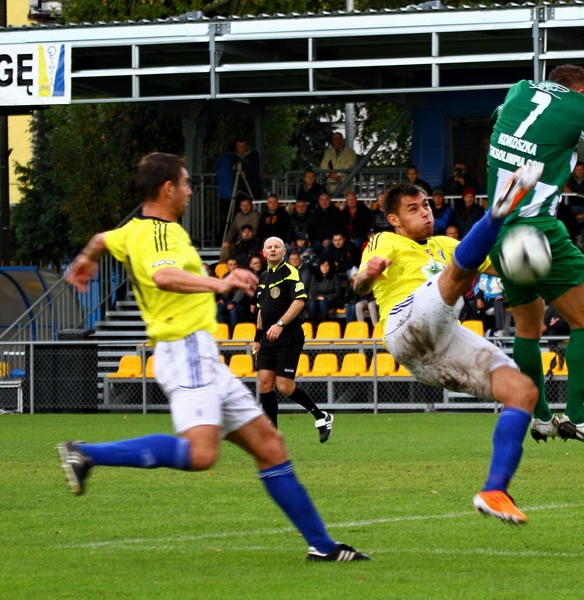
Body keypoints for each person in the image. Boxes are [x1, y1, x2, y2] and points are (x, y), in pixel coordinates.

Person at [60, 152, 368, 562]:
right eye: (185, 184)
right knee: (201, 454)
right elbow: (162, 276)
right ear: (167, 188)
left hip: (199, 353)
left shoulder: (132, 231)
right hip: (184, 348)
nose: (189, 190)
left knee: (271, 446)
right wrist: (218, 283)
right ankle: (86, 453)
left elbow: (102, 239)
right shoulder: (158, 235)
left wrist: (86, 259)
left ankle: (323, 546)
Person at [353, 181, 539, 524]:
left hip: (441, 343)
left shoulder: (446, 244)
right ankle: (495, 212)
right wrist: (369, 274)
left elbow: (501, 266)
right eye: (414, 208)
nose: (425, 212)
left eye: (426, 206)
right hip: (405, 321)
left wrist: (534, 263)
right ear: (393, 219)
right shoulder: (385, 241)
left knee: (522, 391)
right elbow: (359, 285)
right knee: (457, 272)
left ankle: (495, 490)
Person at [485, 64, 584, 450]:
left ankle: (543, 417)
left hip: (498, 234)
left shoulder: (517, 91)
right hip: (538, 229)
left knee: (529, 331)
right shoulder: (582, 107)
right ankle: (578, 418)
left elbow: (500, 121)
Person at [253, 236, 333, 439]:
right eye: (269, 247)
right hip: (267, 339)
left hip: (289, 336)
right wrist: (257, 337)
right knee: (264, 384)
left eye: (277, 247)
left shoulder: (290, 272)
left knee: (284, 386)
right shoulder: (263, 278)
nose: (272, 250)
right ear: (263, 253)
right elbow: (262, 311)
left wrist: (280, 325)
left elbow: (299, 302)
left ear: (283, 252)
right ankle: (272, 434)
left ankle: (321, 416)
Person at [220, 197, 261, 262]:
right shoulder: (238, 215)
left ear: (251, 205)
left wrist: (242, 241)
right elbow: (232, 230)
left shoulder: (255, 215)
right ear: (240, 207)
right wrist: (227, 241)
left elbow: (254, 230)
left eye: (247, 205)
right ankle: (224, 268)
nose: (245, 207)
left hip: (251, 242)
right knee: (225, 248)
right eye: (243, 206)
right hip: (239, 242)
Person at [216, 258, 251, 333]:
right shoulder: (225, 276)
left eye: (234, 264)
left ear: (237, 265)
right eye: (231, 265)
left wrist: (233, 303)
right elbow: (224, 289)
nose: (233, 266)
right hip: (227, 301)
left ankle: (233, 332)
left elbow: (240, 293)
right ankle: (223, 331)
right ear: (227, 266)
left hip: (239, 301)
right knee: (217, 308)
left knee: (233, 311)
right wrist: (221, 298)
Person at [307, 259, 343, 324]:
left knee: (322, 303)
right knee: (312, 303)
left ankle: (324, 324)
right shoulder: (314, 276)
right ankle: (312, 325)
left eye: (327, 266)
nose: (325, 268)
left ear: (330, 267)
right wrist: (317, 297)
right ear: (319, 267)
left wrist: (324, 297)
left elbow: (338, 293)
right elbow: (312, 291)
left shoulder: (334, 276)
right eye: (323, 266)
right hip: (316, 299)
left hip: (330, 300)